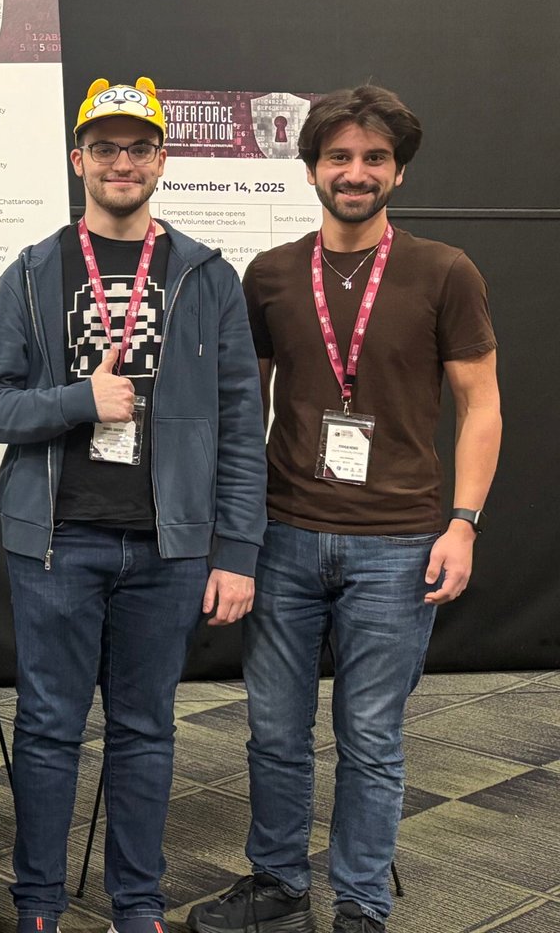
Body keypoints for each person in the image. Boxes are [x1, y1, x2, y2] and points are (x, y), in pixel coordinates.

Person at [188, 85, 501, 933]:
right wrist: (233, 532)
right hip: (284, 535)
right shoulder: (270, 274)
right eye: (339, 157)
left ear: (398, 173)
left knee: (370, 736)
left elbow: (481, 407)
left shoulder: (445, 272)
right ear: (311, 169)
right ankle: (278, 885)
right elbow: (241, 411)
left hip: (400, 543)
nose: (355, 172)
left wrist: (464, 523)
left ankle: (361, 903)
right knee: (273, 731)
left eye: (374, 158)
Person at [0, 76, 265, 933]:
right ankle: (39, 904)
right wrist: (76, 402)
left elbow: (242, 421)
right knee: (48, 729)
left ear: (161, 160)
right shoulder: (34, 271)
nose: (121, 162)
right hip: (58, 544)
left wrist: (237, 549)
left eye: (138, 147)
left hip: (169, 549)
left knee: (146, 730)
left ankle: (138, 903)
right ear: (78, 160)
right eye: (105, 148)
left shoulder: (206, 276)